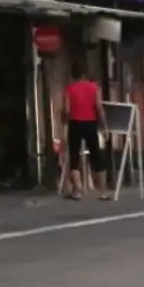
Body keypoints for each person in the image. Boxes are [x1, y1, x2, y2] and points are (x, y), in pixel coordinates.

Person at [62, 63, 110, 201]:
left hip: (75, 123)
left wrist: (65, 120)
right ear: (84, 75)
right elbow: (99, 108)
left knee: (74, 156)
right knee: (96, 156)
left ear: (72, 75)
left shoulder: (69, 89)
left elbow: (66, 110)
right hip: (90, 123)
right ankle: (103, 191)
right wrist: (105, 126)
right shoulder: (94, 88)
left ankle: (78, 189)